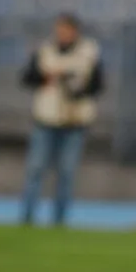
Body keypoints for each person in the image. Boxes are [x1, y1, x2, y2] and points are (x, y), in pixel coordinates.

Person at [19, 12, 104, 226]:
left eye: (67, 30)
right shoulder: (45, 50)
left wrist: (75, 87)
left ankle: (59, 220)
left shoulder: (88, 53)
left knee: (66, 172)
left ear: (75, 32)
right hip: (46, 119)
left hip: (74, 121)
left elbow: (97, 85)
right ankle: (27, 217)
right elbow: (27, 78)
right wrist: (46, 77)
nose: (62, 35)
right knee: (36, 169)